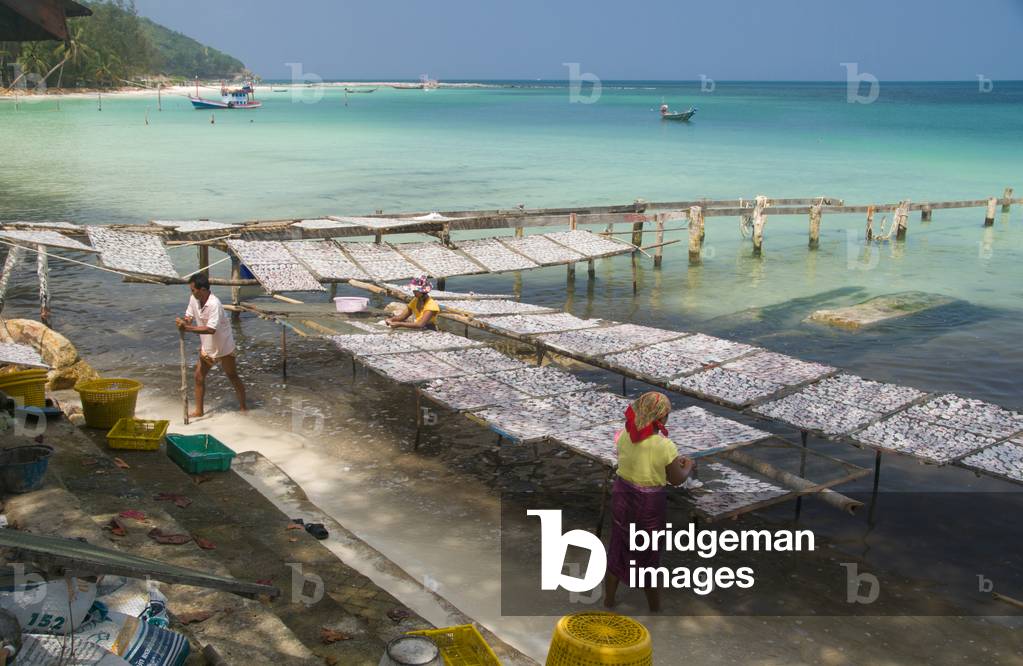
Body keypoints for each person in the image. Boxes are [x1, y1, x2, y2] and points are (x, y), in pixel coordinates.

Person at [604, 391, 694, 612]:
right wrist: (688, 465)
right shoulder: (665, 446)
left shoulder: (624, 435)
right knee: (648, 553)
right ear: (662, 418)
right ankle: (655, 609)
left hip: (622, 495)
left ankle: (609, 601)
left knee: (619, 545)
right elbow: (675, 479)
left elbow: (630, 458)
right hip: (649, 504)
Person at [175, 274, 247, 416]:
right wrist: (184, 322)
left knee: (232, 376)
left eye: (193, 290)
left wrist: (187, 329)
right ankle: (199, 411)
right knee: (198, 377)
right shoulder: (194, 299)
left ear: (202, 289)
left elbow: (210, 329)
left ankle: (244, 408)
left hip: (223, 346)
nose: (192, 293)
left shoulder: (215, 304)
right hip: (207, 346)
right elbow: (189, 316)